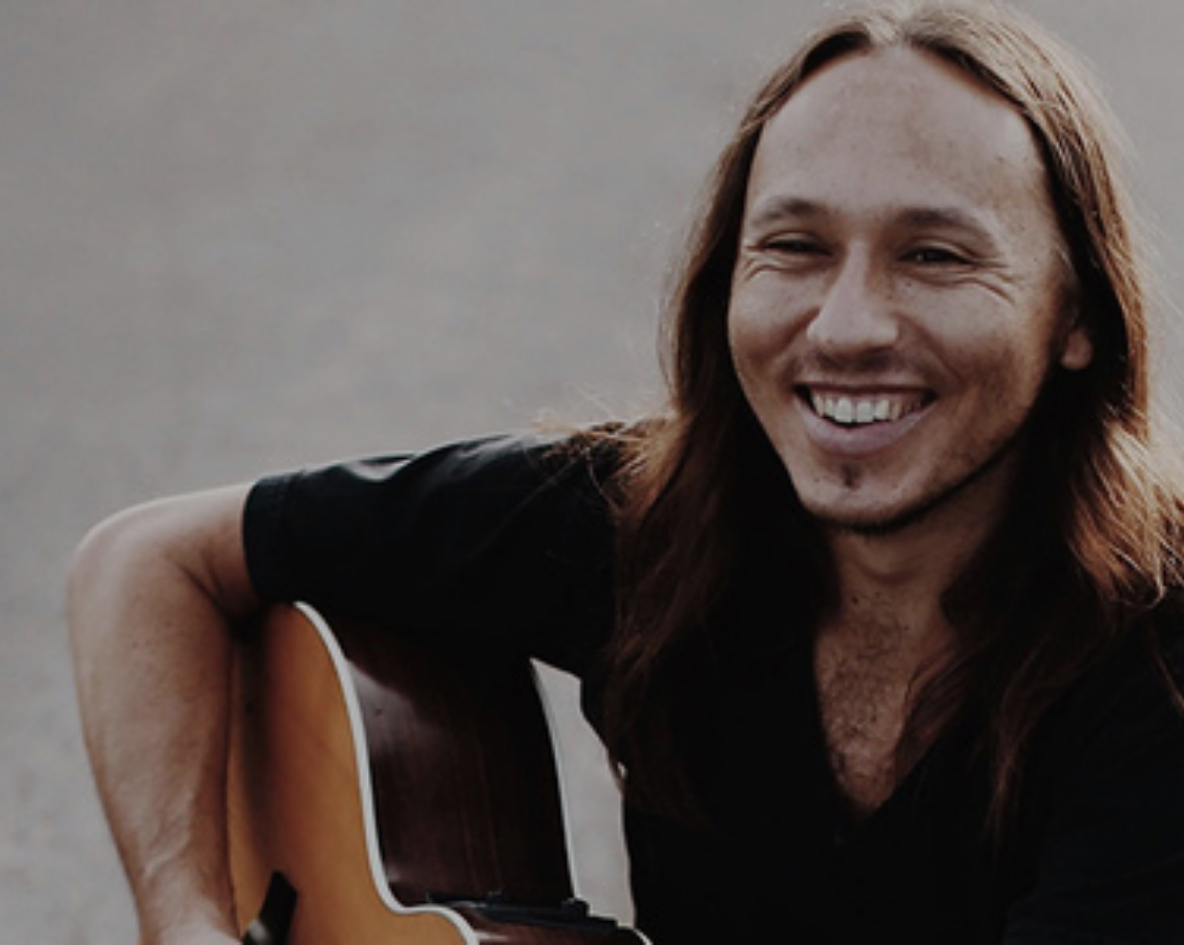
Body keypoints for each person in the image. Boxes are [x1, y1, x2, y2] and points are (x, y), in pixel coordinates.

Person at [66, 3, 1184, 942]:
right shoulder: (642, 520)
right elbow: (148, 561)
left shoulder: (1158, 661)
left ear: (1077, 316)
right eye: (794, 247)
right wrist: (186, 919)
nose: (846, 327)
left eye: (934, 256)